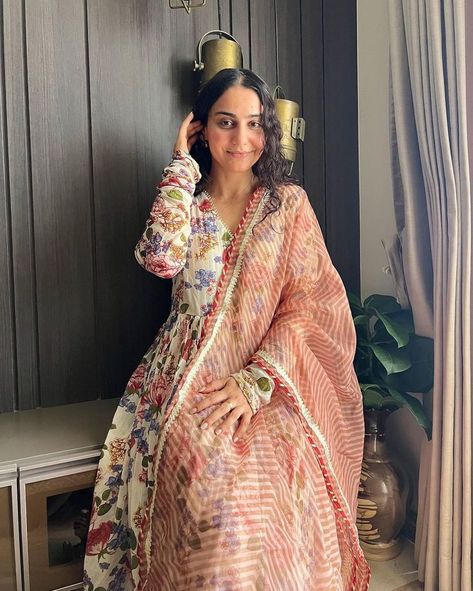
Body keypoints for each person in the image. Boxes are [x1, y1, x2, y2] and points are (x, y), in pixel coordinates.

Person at [82, 68, 370, 590]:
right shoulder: (189, 205)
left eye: (255, 124)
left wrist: (256, 382)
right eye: (225, 122)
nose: (242, 140)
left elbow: (309, 302)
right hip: (187, 373)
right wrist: (178, 168)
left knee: (279, 486)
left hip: (269, 376)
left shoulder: (289, 207)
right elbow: (159, 260)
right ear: (200, 129)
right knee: (209, 490)